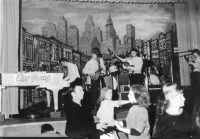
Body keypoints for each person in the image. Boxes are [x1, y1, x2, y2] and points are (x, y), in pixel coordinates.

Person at [83, 47, 106, 112]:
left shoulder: (100, 60)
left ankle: (100, 107)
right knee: (94, 93)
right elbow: (84, 71)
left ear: (97, 54)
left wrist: (102, 70)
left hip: (100, 78)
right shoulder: (89, 62)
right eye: (93, 54)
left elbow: (103, 69)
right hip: (93, 79)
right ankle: (94, 107)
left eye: (95, 54)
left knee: (101, 92)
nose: (94, 55)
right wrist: (91, 73)